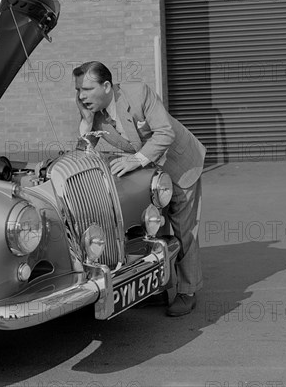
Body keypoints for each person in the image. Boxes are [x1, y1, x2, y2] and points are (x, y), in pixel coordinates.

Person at [73, 61, 206, 317]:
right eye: (78, 90)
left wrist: (136, 160)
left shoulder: (138, 93)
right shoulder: (96, 114)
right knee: (153, 229)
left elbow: (164, 133)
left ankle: (188, 291)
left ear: (107, 86)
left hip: (180, 165)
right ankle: (157, 289)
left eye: (87, 89)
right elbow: (84, 155)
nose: (81, 96)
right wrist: (86, 122)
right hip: (151, 176)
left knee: (184, 230)